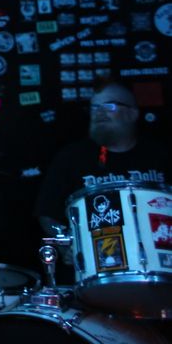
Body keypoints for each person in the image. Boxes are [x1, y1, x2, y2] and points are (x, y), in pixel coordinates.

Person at [35, 81, 169, 237]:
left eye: (109, 106)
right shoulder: (71, 157)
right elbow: (47, 213)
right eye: (94, 107)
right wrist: (71, 243)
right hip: (100, 249)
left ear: (132, 113)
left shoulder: (160, 155)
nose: (99, 112)